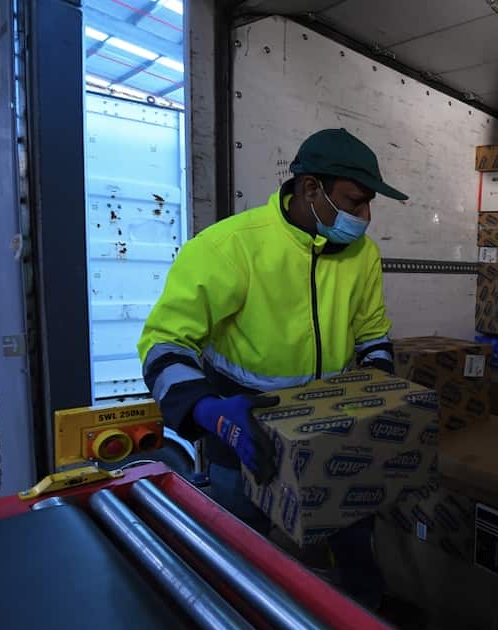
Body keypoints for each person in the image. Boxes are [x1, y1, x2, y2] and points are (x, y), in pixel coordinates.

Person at [138, 128, 406, 605]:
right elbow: (164, 343)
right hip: (244, 431)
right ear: (310, 189)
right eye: (356, 201)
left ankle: (369, 618)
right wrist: (209, 412)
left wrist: (379, 396)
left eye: (368, 204)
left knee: (352, 532)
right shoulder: (230, 247)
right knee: (240, 553)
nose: (365, 217)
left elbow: (371, 332)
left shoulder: (363, 255)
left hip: (335, 432)